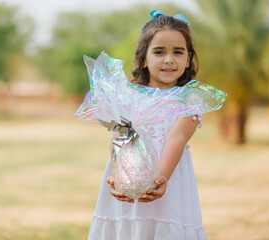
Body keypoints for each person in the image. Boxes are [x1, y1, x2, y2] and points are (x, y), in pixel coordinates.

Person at [80, 10, 226, 240]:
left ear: (188, 59)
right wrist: (116, 177)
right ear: (144, 58)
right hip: (128, 178)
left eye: (178, 52)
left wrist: (162, 178)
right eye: (159, 52)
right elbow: (120, 137)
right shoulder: (128, 95)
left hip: (167, 182)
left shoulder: (188, 99)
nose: (169, 59)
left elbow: (176, 138)